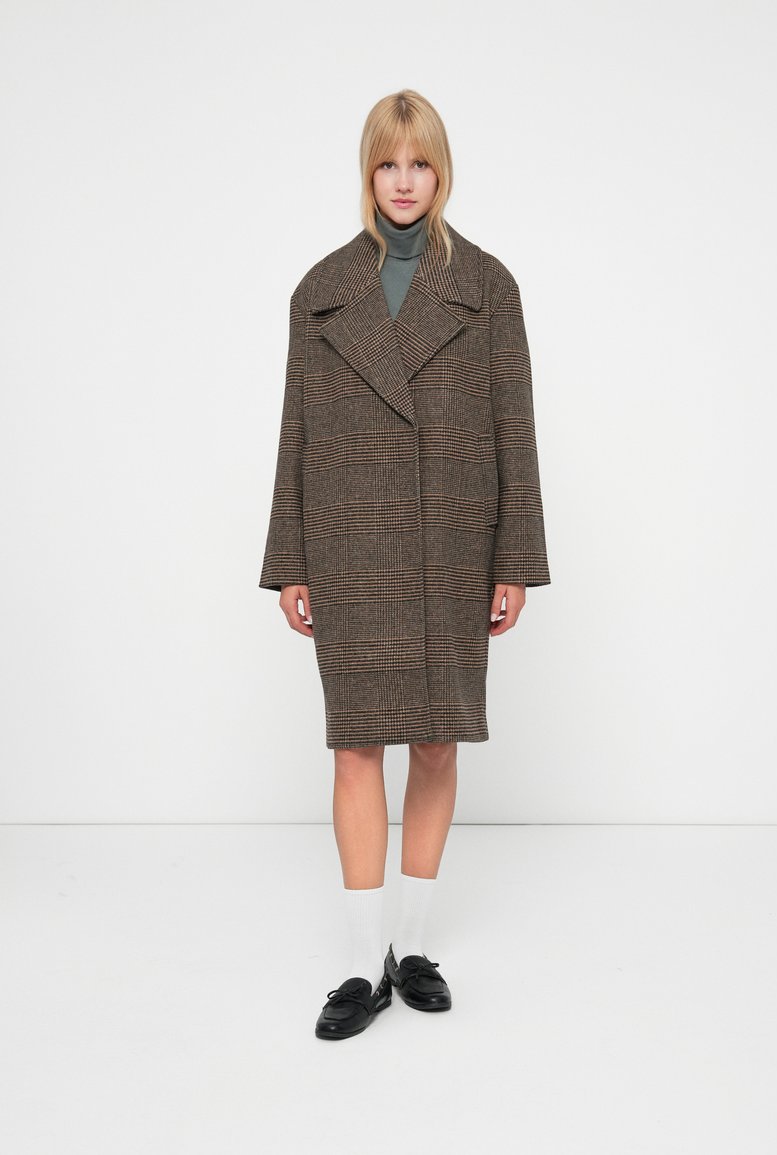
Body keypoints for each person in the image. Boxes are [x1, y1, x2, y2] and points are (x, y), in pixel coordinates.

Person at [258, 89, 551, 1040]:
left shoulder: (489, 286)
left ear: (442, 171)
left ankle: (412, 947)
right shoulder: (320, 290)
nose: (403, 181)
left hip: (449, 542)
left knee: (434, 741)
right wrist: (291, 559)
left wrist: (515, 557)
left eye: (420, 163)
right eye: (388, 163)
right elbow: (296, 436)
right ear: (368, 172)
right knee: (355, 746)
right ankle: (359, 965)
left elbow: (514, 430)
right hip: (348, 541)